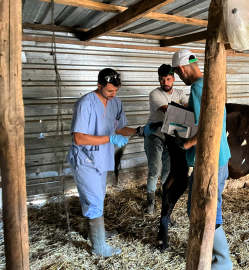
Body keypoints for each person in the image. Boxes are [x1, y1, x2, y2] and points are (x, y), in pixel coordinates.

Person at [171, 49, 233, 270]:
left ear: (181, 69)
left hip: (210, 160)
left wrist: (186, 143)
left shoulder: (198, 88)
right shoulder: (209, 82)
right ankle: (211, 253)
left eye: (178, 75)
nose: (180, 78)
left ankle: (222, 262)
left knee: (203, 209)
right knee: (202, 207)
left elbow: (209, 124)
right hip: (219, 157)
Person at [67, 68, 137, 257]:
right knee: (94, 200)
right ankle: (99, 248)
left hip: (100, 158)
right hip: (85, 158)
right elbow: (79, 138)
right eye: (109, 91)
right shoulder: (85, 103)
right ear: (99, 85)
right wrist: (110, 139)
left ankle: (98, 233)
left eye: (116, 90)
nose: (113, 94)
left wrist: (140, 130)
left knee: (98, 197)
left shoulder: (116, 102)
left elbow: (121, 128)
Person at [144, 64, 188, 214]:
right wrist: (187, 115)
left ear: (174, 79)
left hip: (171, 137)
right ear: (159, 80)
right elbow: (169, 111)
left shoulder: (180, 93)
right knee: (154, 170)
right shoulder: (154, 94)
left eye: (168, 79)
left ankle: (164, 193)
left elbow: (188, 107)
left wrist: (188, 111)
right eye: (162, 79)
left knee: (168, 170)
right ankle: (150, 202)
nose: (165, 82)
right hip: (155, 135)